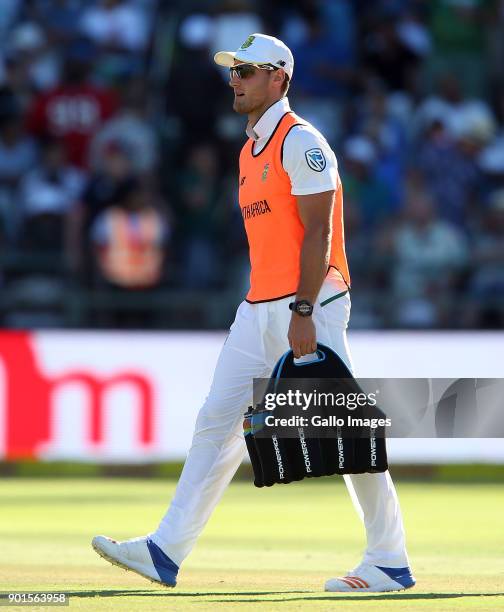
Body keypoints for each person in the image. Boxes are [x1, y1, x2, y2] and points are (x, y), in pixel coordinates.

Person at [92, 33, 415, 594]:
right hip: (258, 306)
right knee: (216, 423)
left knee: (342, 428)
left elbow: (321, 231)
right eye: (233, 71)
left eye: (247, 71)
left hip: (308, 305)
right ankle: (165, 550)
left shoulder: (301, 141)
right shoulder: (249, 148)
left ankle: (388, 559)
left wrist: (304, 309)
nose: (235, 80)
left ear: (279, 80)